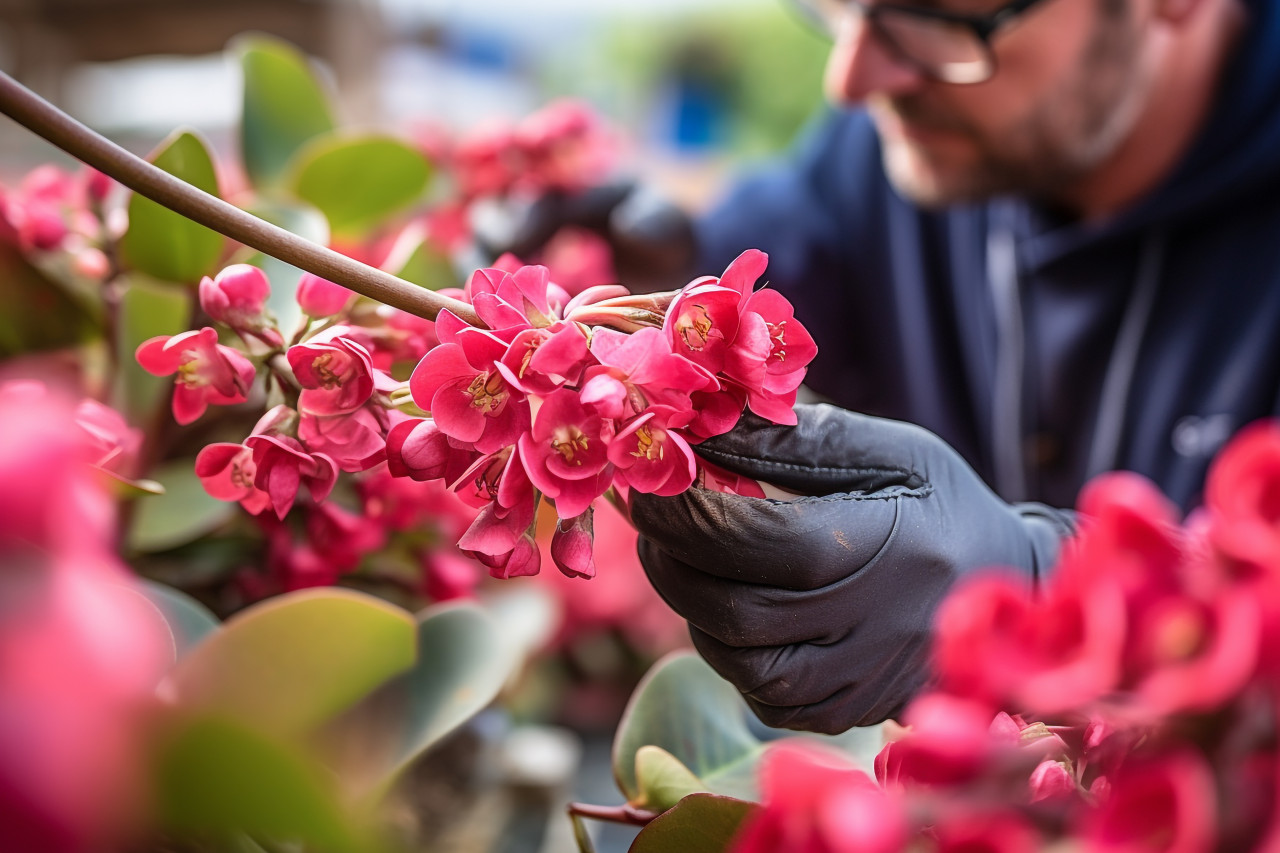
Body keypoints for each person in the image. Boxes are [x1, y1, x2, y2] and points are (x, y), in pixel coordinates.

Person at [505, 0, 1280, 734]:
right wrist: (650, 282)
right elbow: (793, 258)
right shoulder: (911, 138)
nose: (852, 79)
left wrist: (1046, 579)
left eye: (935, 15)